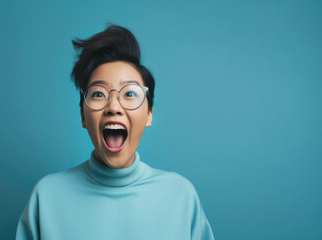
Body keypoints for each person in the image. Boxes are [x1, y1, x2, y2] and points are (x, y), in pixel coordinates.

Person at [15, 24, 215, 240]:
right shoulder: (46, 198)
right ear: (83, 116)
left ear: (149, 114)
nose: (113, 107)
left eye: (129, 93)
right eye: (99, 94)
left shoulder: (181, 196)